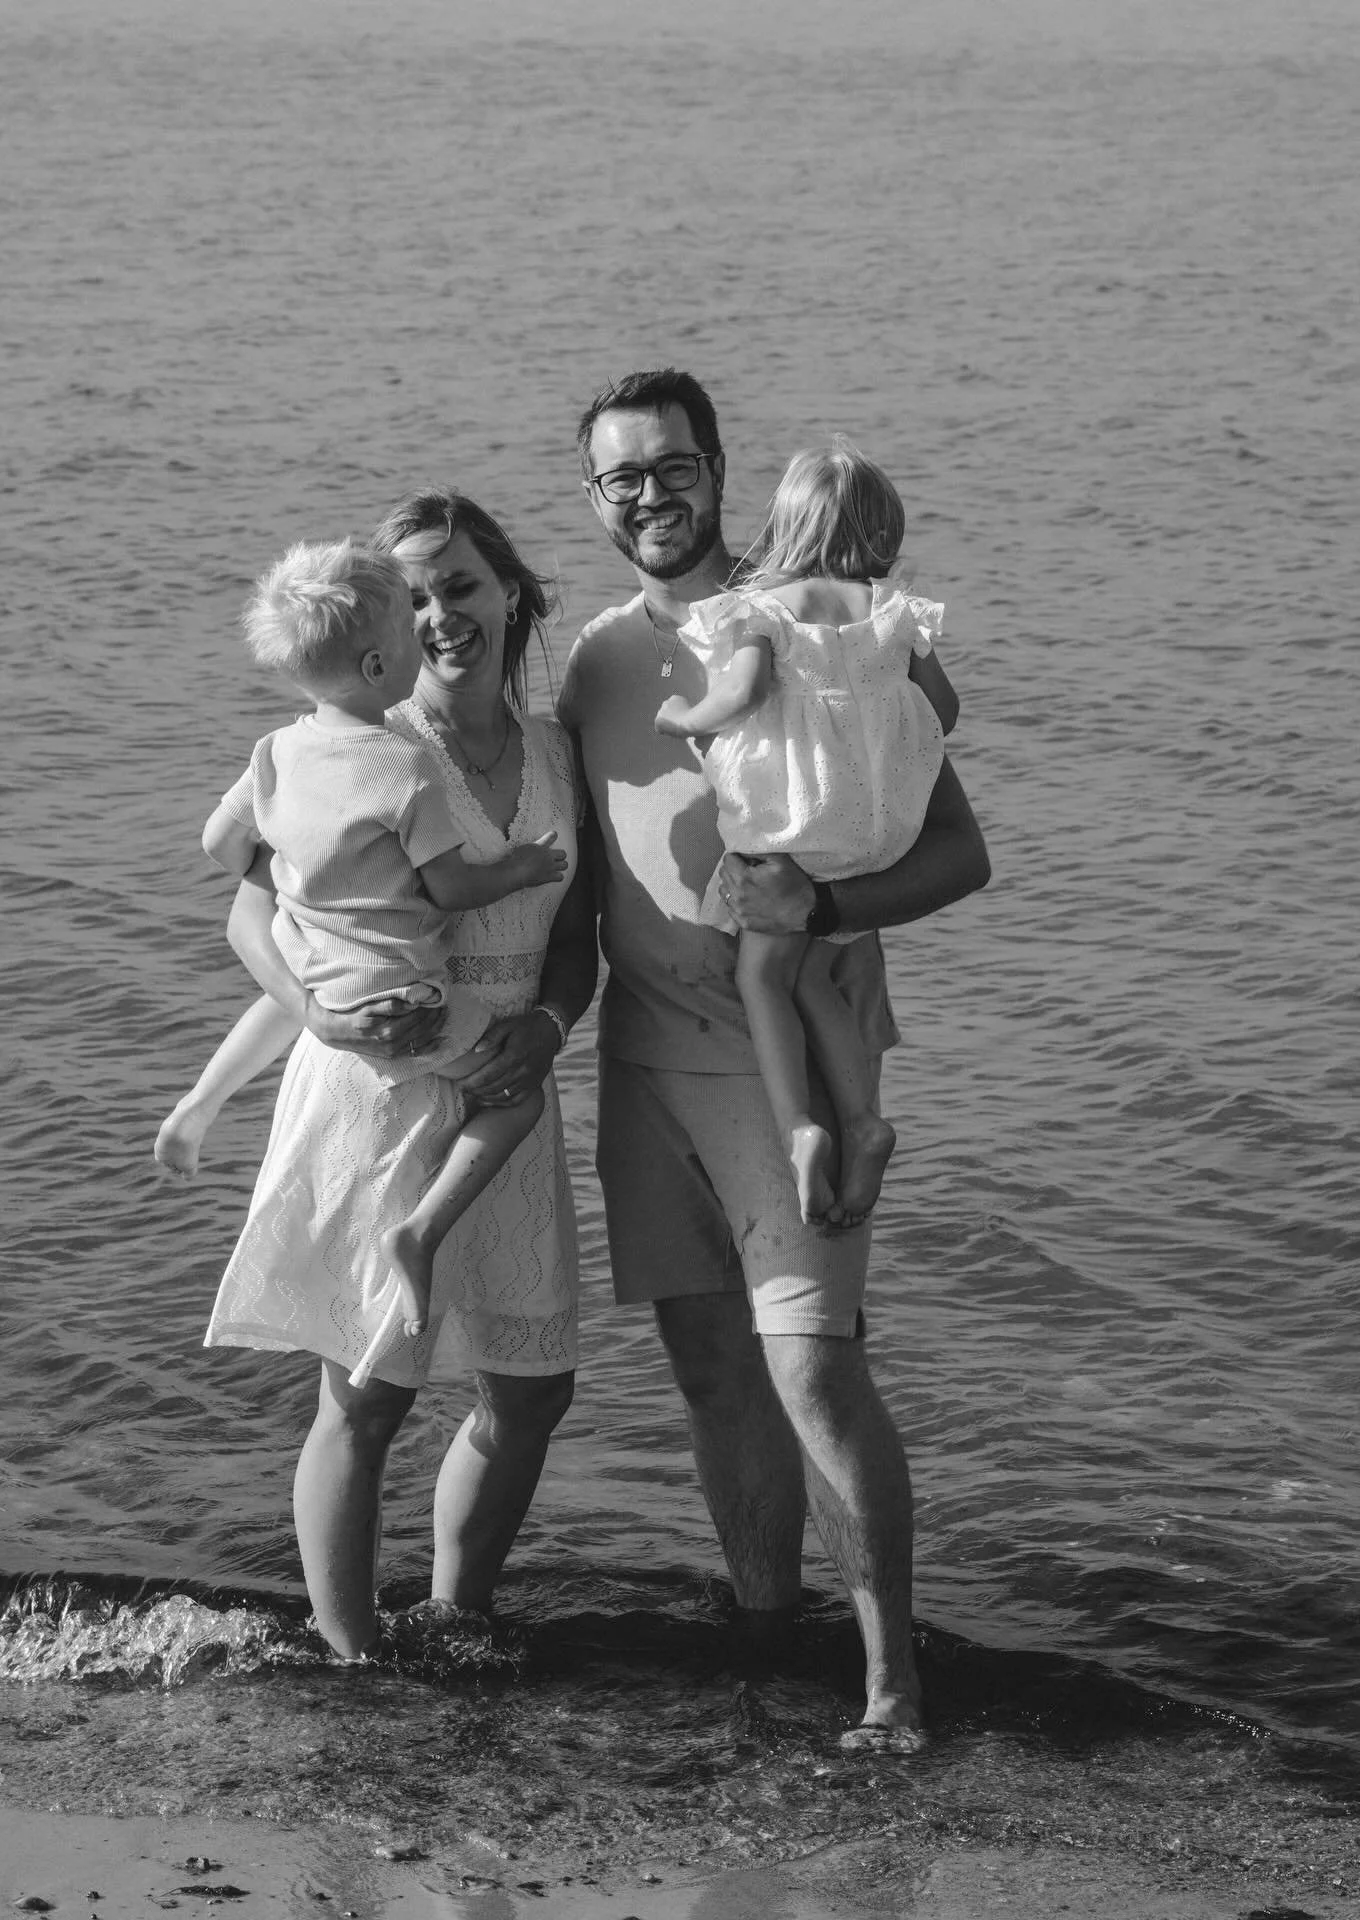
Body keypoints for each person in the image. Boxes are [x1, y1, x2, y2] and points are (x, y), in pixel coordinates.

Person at [560, 368, 990, 1745]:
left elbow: (959, 852)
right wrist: (511, 1031)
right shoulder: (596, 661)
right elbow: (582, 886)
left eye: (671, 467)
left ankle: (891, 1685)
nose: (650, 495)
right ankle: (763, 1642)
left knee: (814, 1369)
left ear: (720, 469)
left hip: (794, 1055)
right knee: (708, 1370)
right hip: (644, 1060)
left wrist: (826, 906)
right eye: (621, 476)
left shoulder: (827, 628)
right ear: (597, 498)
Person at [199, 491, 596, 1661]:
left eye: (460, 586)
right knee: (366, 1392)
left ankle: (457, 1618)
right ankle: (350, 1652)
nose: (440, 616)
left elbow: (578, 928)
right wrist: (310, 1003)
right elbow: (246, 912)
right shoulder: (362, 742)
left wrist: (556, 1024)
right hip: (377, 1084)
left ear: (510, 590)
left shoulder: (557, 752)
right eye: (415, 596)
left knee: (530, 1388)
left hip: (509, 1071)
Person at [190, 537, 566, 1363]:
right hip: (412, 1003)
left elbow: (219, 841)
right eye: (408, 626)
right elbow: (449, 890)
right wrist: (523, 866)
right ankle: (421, 1233)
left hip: (329, 977)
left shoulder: (277, 751)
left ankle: (199, 1106)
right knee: (519, 1101)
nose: (426, 634)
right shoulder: (400, 765)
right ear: (374, 665)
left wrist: (293, 877)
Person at [654, 436, 948, 1232]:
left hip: (792, 828)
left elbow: (741, 693)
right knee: (816, 971)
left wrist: (683, 716)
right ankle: (866, 1119)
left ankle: (802, 1128)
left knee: (764, 977)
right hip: (875, 833)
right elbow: (943, 713)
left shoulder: (764, 609)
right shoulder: (891, 612)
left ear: (786, 529)